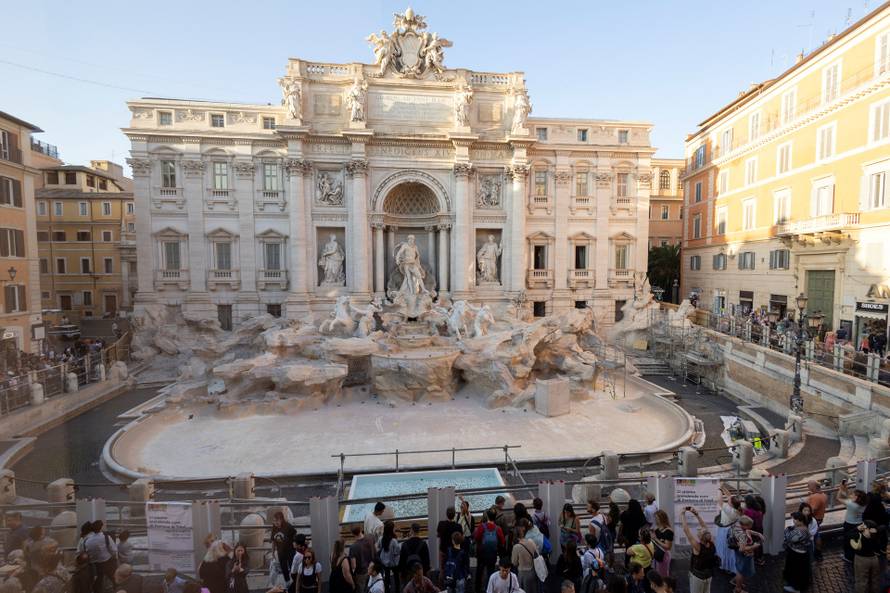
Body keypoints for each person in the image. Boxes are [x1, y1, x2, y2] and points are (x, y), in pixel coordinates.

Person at [680, 507, 717, 593]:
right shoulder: (712, 543)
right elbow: (705, 528)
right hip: (709, 575)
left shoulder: (698, 547)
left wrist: (682, 514)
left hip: (698, 576)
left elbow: (686, 530)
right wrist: (697, 515)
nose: (699, 529)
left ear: (700, 537)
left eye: (700, 531)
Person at [473, 509, 505, 593]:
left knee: (479, 571)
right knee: (490, 571)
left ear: (487, 516)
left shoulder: (481, 527)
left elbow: (476, 538)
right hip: (492, 553)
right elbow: (502, 541)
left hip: (482, 553)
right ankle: (489, 588)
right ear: (495, 517)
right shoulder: (498, 528)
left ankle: (477, 589)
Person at [731, 516, 763, 593]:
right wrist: (754, 546)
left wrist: (757, 533)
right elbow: (742, 549)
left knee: (739, 569)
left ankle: (735, 582)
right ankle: (738, 589)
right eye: (749, 525)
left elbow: (748, 530)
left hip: (738, 554)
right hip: (744, 555)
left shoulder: (736, 525)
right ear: (744, 525)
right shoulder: (743, 536)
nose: (751, 527)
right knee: (741, 572)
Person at [84, 520, 117, 593]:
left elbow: (87, 552)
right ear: (101, 527)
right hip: (108, 562)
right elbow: (114, 550)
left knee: (98, 581)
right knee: (115, 579)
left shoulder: (88, 540)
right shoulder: (106, 537)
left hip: (96, 565)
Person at [837, 482, 866, 562]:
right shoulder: (863, 503)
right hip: (859, 524)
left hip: (849, 525)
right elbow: (849, 496)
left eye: (853, 495)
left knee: (847, 540)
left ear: (856, 497)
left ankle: (848, 557)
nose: (851, 495)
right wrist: (845, 489)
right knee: (856, 540)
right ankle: (855, 555)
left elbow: (838, 498)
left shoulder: (851, 504)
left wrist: (840, 489)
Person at [782, 512, 811, 593]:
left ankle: (796, 588)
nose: (793, 521)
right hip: (798, 552)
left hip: (798, 554)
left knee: (796, 571)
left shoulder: (801, 530)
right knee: (797, 570)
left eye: (794, 519)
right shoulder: (802, 528)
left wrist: (787, 531)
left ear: (800, 521)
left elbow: (790, 538)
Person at [851, 520, 882, 593]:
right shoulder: (876, 535)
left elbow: (848, 535)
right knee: (875, 580)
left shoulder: (860, 535)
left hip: (862, 560)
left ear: (866, 527)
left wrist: (856, 529)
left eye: (863, 525)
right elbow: (878, 547)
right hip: (874, 559)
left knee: (861, 581)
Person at [715, 488, 741, 574]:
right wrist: (723, 488)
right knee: (728, 550)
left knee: (724, 548)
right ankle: (727, 565)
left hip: (725, 532)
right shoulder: (735, 509)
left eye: (729, 500)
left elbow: (719, 500)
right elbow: (729, 496)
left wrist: (719, 490)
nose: (728, 499)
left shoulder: (729, 510)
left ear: (731, 503)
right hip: (728, 531)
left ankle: (725, 565)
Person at [509, 520, 538, 593]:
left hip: (523, 574)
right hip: (533, 571)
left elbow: (514, 562)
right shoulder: (531, 541)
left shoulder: (516, 547)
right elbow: (536, 554)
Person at [271, 513, 296, 592]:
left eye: (277, 521)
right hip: (280, 552)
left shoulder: (288, 526)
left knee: (292, 567)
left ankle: (295, 583)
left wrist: (294, 543)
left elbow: (294, 533)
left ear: (281, 520)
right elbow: (273, 541)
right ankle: (288, 583)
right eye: (274, 521)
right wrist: (272, 552)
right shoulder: (274, 528)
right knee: (283, 567)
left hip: (290, 551)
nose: (276, 523)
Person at [436, 508, 460, 586]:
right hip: (454, 552)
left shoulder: (441, 524)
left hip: (443, 550)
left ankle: (441, 587)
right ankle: (453, 586)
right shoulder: (458, 526)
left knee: (442, 570)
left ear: (446, 514)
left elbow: (438, 535)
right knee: (454, 569)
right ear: (454, 515)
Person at [805, 481, 828, 561]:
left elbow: (812, 510)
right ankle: (818, 553)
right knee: (817, 534)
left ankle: (815, 554)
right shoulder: (823, 495)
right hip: (819, 518)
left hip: (813, 520)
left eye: (809, 485)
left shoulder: (815, 497)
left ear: (814, 487)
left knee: (814, 536)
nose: (807, 486)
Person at [349, 526, 374, 593]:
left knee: (361, 590)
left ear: (353, 534)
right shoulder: (370, 539)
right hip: (372, 569)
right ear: (360, 530)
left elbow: (353, 566)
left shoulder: (353, 547)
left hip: (361, 573)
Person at [379, 521, 401, 593]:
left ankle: (387, 589)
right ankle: (397, 590)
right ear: (391, 530)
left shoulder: (381, 539)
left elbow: (379, 547)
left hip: (384, 561)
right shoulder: (394, 541)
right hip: (393, 562)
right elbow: (396, 552)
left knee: (387, 576)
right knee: (396, 576)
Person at [650, 510, 673, 578]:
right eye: (655, 518)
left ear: (662, 519)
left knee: (663, 575)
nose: (655, 520)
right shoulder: (657, 529)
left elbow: (668, 547)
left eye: (657, 519)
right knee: (657, 574)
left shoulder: (668, 531)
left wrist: (655, 539)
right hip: (657, 554)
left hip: (664, 555)